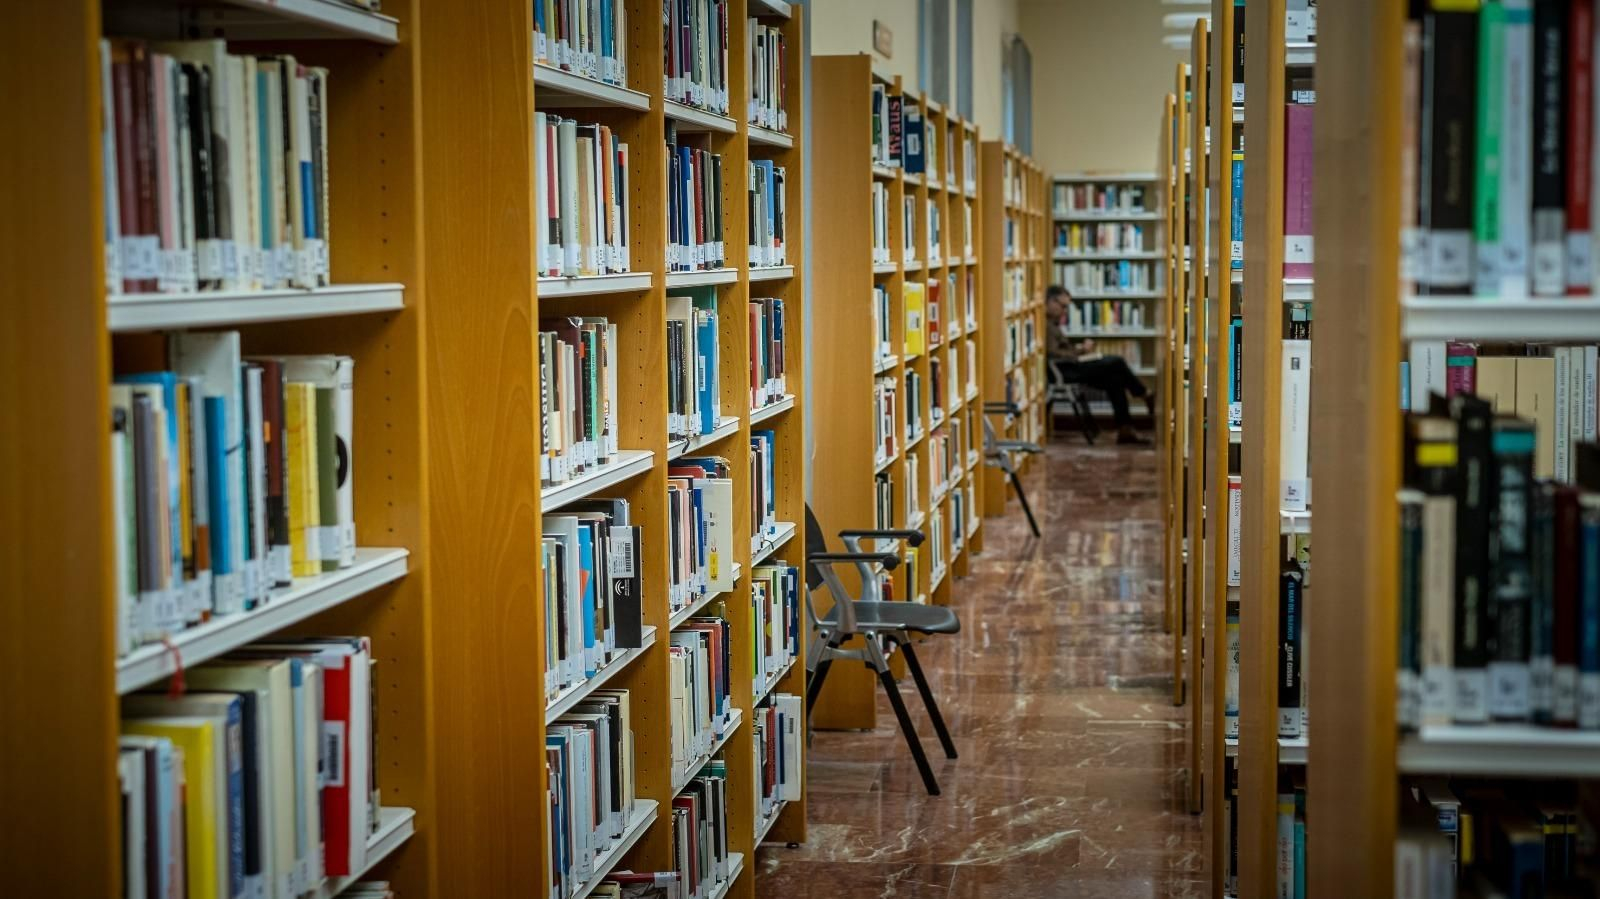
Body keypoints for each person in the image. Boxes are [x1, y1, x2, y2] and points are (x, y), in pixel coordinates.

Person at [1046, 285, 1153, 445]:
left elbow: (1061, 349)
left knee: (1115, 380)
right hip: (1065, 370)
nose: (1065, 312)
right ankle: (1144, 393)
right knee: (1116, 362)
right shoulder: (1045, 324)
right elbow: (1053, 353)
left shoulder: (1052, 323)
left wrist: (1079, 349)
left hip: (1071, 365)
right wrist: (1081, 351)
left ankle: (1125, 430)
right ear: (1050, 302)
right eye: (1063, 306)